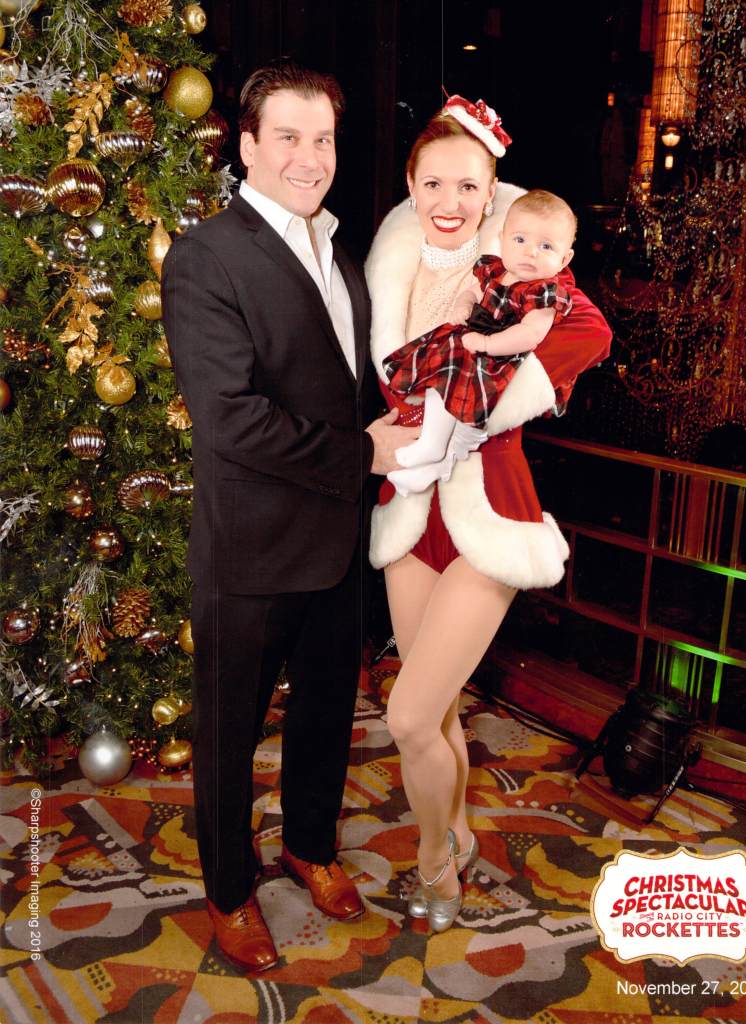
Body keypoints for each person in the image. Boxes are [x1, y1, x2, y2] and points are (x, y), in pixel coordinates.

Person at [161, 59, 417, 973]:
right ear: (247, 146)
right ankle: (229, 889)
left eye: (324, 139)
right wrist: (364, 455)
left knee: (324, 716)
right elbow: (231, 419)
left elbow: (342, 384)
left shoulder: (337, 248)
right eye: (289, 138)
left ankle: (309, 847)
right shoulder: (205, 255)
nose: (310, 158)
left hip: (337, 543)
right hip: (253, 548)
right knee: (228, 733)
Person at [365, 94, 612, 931]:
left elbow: (591, 335)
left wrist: (497, 387)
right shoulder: (390, 275)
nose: (448, 202)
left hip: (486, 517)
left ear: (491, 192)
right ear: (410, 186)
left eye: (467, 187)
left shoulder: (517, 273)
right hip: (408, 513)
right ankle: (458, 833)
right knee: (430, 715)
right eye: (432, 183)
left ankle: (436, 865)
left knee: (403, 714)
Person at [382, 189, 578, 495]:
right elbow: (472, 292)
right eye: (520, 240)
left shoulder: (544, 294)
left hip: (502, 358)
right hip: (473, 342)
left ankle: (439, 458)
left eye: (546, 246)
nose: (531, 252)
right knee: (440, 376)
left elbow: (529, 335)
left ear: (564, 258)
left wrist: (487, 345)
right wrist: (463, 306)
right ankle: (432, 451)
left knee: (467, 418)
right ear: (502, 239)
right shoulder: (495, 270)